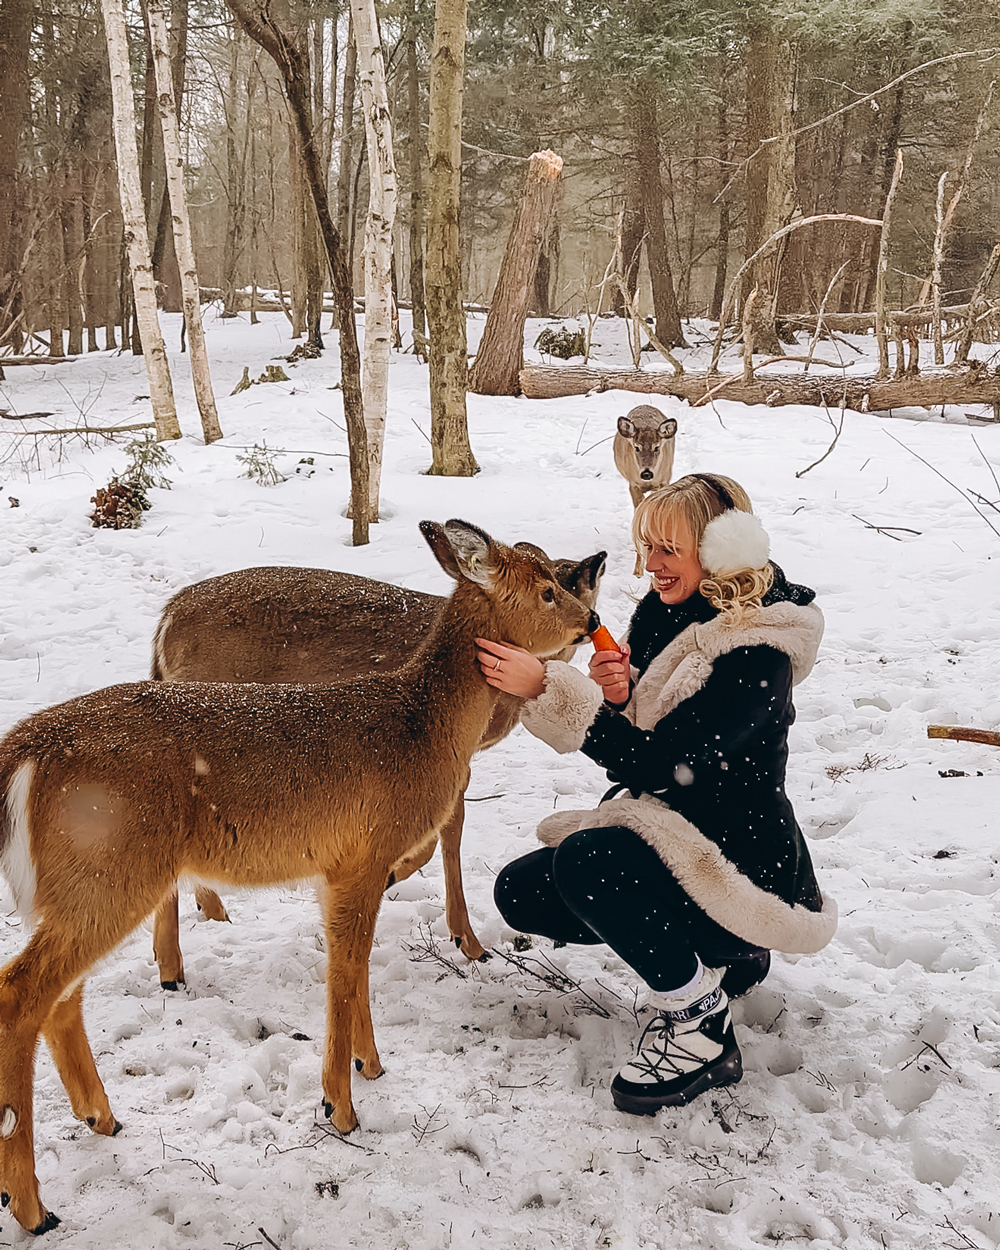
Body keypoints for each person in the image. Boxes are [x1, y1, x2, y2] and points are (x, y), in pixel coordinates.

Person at [476, 473, 837, 1116]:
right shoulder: (664, 614)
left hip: (742, 866)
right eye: (646, 546)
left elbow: (668, 764)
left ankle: (701, 1023)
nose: (651, 565)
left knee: (588, 863)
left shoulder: (758, 651)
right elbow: (656, 733)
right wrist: (622, 693)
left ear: (722, 550)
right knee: (522, 892)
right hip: (675, 836)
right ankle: (720, 956)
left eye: (668, 549)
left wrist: (550, 691)